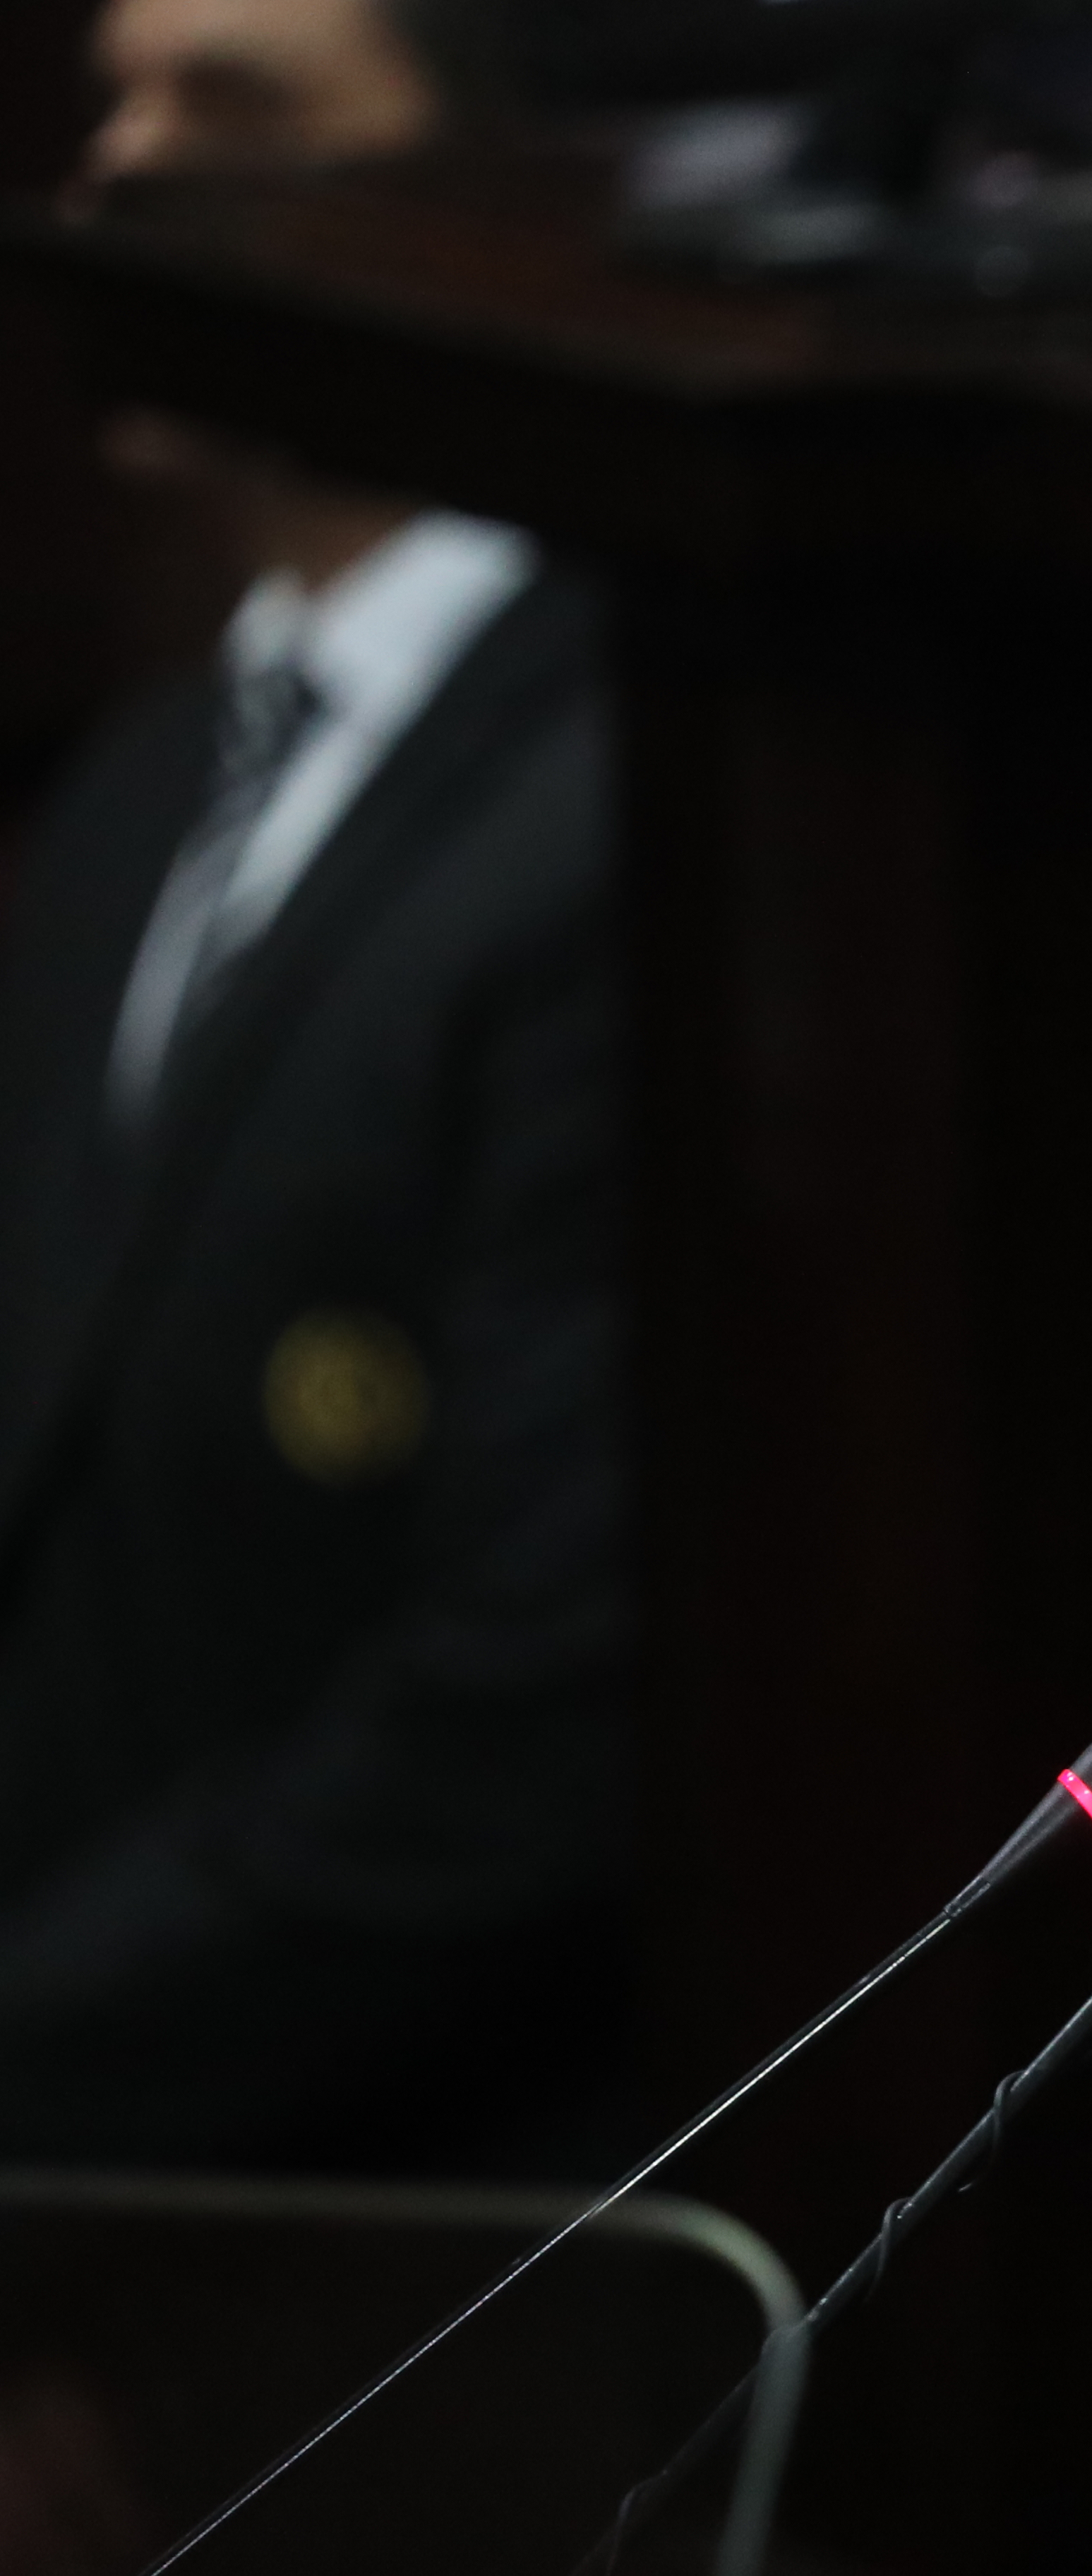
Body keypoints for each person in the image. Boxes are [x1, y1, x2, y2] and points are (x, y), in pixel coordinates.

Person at [0, 0, 630, 2171]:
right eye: (118, 108)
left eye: (240, 108)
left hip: (437, 2227)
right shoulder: (139, 786)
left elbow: (547, 1686)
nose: (122, 182)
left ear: (513, 192)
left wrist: (47, 2130)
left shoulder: (634, 782)